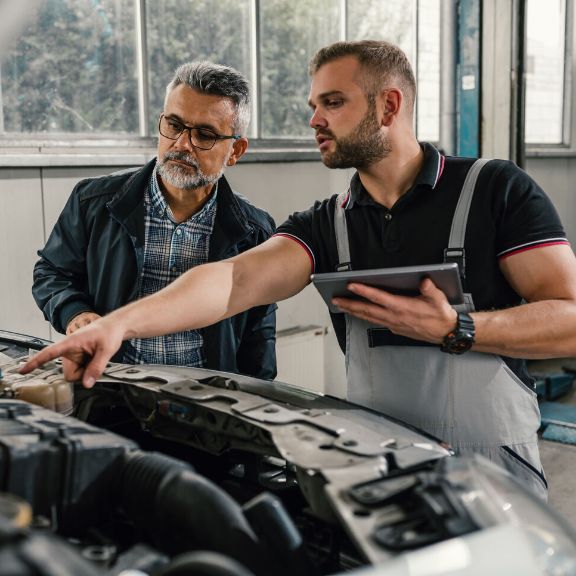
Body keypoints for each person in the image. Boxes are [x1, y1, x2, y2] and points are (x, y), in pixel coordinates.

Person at [23, 40, 576, 499]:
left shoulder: (495, 190)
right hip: (378, 463)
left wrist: (460, 328)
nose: (314, 119)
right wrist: (117, 324)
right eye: (313, 103)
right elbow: (233, 280)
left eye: (332, 102)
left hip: (492, 465)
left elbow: (571, 318)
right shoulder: (326, 224)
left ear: (388, 106)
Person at [31, 60, 277, 380]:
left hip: (206, 400)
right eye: (174, 125)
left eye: (204, 134)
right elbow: (51, 272)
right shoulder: (92, 203)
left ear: (235, 150)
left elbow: (259, 333)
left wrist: (257, 403)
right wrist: (75, 313)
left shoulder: (254, 231)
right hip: (111, 386)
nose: (182, 144)